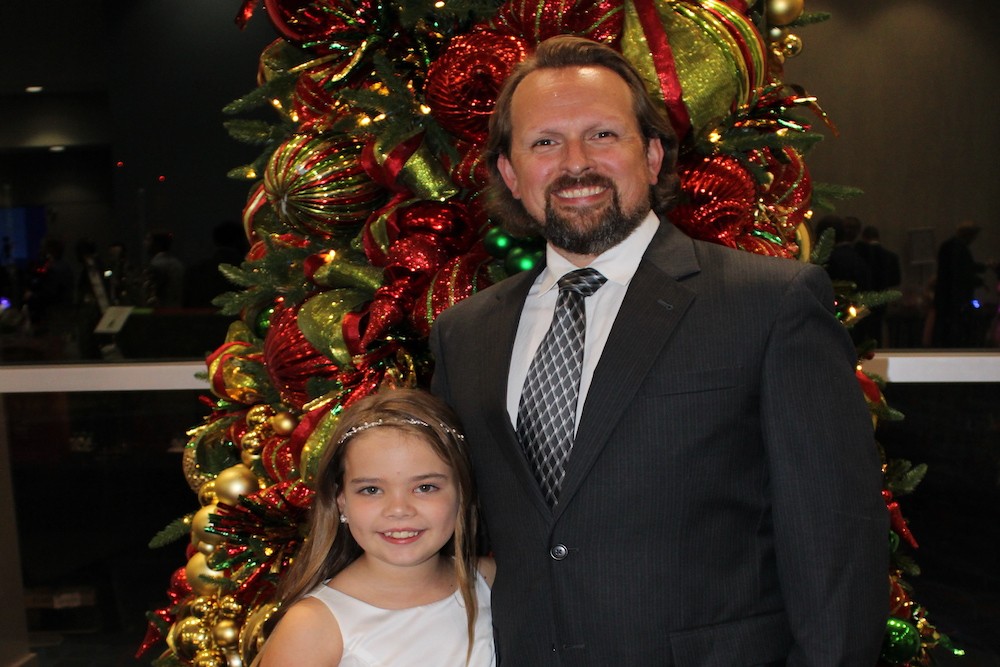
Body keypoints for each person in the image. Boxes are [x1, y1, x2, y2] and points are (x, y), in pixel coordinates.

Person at [430, 36, 888, 665]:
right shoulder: (464, 333)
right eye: (544, 143)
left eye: (602, 135)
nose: (575, 164)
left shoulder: (768, 304)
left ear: (650, 155)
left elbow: (834, 536)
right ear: (510, 173)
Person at [255, 388, 496, 667]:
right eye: (371, 490)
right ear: (342, 502)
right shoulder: (311, 625)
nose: (399, 509)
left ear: (462, 493)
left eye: (425, 487)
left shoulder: (488, 580)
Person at [931, 220, 990, 347]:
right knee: (955, 331)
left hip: (944, 297)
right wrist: (980, 280)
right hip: (955, 298)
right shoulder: (959, 248)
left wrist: (983, 268)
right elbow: (962, 273)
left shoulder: (947, 246)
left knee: (943, 329)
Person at [854, 221, 902, 346]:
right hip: (882, 296)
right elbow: (896, 280)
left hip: (863, 296)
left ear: (864, 237)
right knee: (878, 328)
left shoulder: (859, 256)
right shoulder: (891, 256)